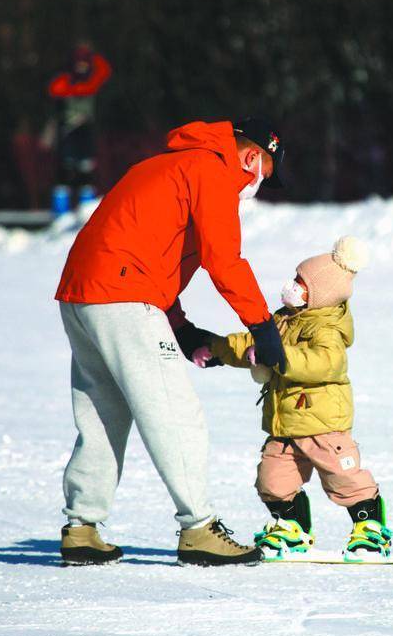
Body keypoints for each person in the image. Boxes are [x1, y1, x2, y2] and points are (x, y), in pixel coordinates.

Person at [55, 117, 286, 566]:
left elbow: (145, 249)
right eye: (262, 178)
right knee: (174, 411)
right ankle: (199, 528)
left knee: (103, 412)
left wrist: (179, 326)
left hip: (83, 295)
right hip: (123, 297)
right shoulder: (212, 170)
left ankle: (81, 527)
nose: (254, 188)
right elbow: (225, 259)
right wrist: (262, 326)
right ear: (253, 157)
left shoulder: (166, 166)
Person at [193, 236, 393, 562]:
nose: (292, 286)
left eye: (301, 283)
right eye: (295, 278)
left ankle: (370, 528)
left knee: (343, 478)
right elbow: (251, 342)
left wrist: (281, 357)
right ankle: (292, 528)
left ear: (321, 292)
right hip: (284, 422)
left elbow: (326, 362)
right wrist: (216, 347)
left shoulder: (327, 326)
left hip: (322, 422)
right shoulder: (284, 318)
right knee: (271, 478)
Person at [47, 42, 112, 214]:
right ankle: (60, 214)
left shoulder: (91, 81)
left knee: (86, 173)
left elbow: (104, 71)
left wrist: (92, 56)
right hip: (68, 132)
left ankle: (86, 211)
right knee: (64, 173)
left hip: (85, 132)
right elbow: (55, 89)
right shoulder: (66, 80)